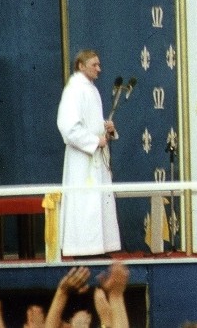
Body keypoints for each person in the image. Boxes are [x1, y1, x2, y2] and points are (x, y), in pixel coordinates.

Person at [57, 49, 121, 257]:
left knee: (97, 202)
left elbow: (90, 123)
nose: (99, 69)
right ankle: (85, 249)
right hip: (82, 161)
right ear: (80, 66)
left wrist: (106, 128)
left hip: (95, 159)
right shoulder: (74, 89)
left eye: (99, 64)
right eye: (94, 65)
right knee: (85, 205)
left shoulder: (91, 89)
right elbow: (68, 127)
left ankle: (98, 247)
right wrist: (95, 141)